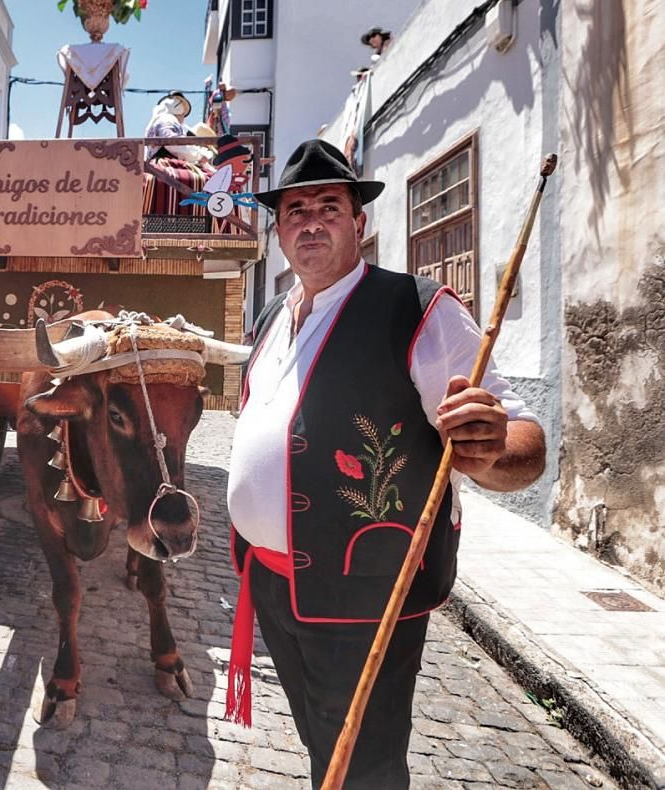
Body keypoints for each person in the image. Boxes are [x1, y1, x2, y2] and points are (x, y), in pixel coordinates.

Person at [225, 139, 546, 788]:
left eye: (329, 206)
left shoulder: (415, 308)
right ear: (280, 230)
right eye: (294, 210)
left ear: (359, 223)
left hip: (366, 594)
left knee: (365, 768)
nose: (310, 221)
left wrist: (487, 451)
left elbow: (523, 443)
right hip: (273, 586)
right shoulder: (270, 318)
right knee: (324, 750)